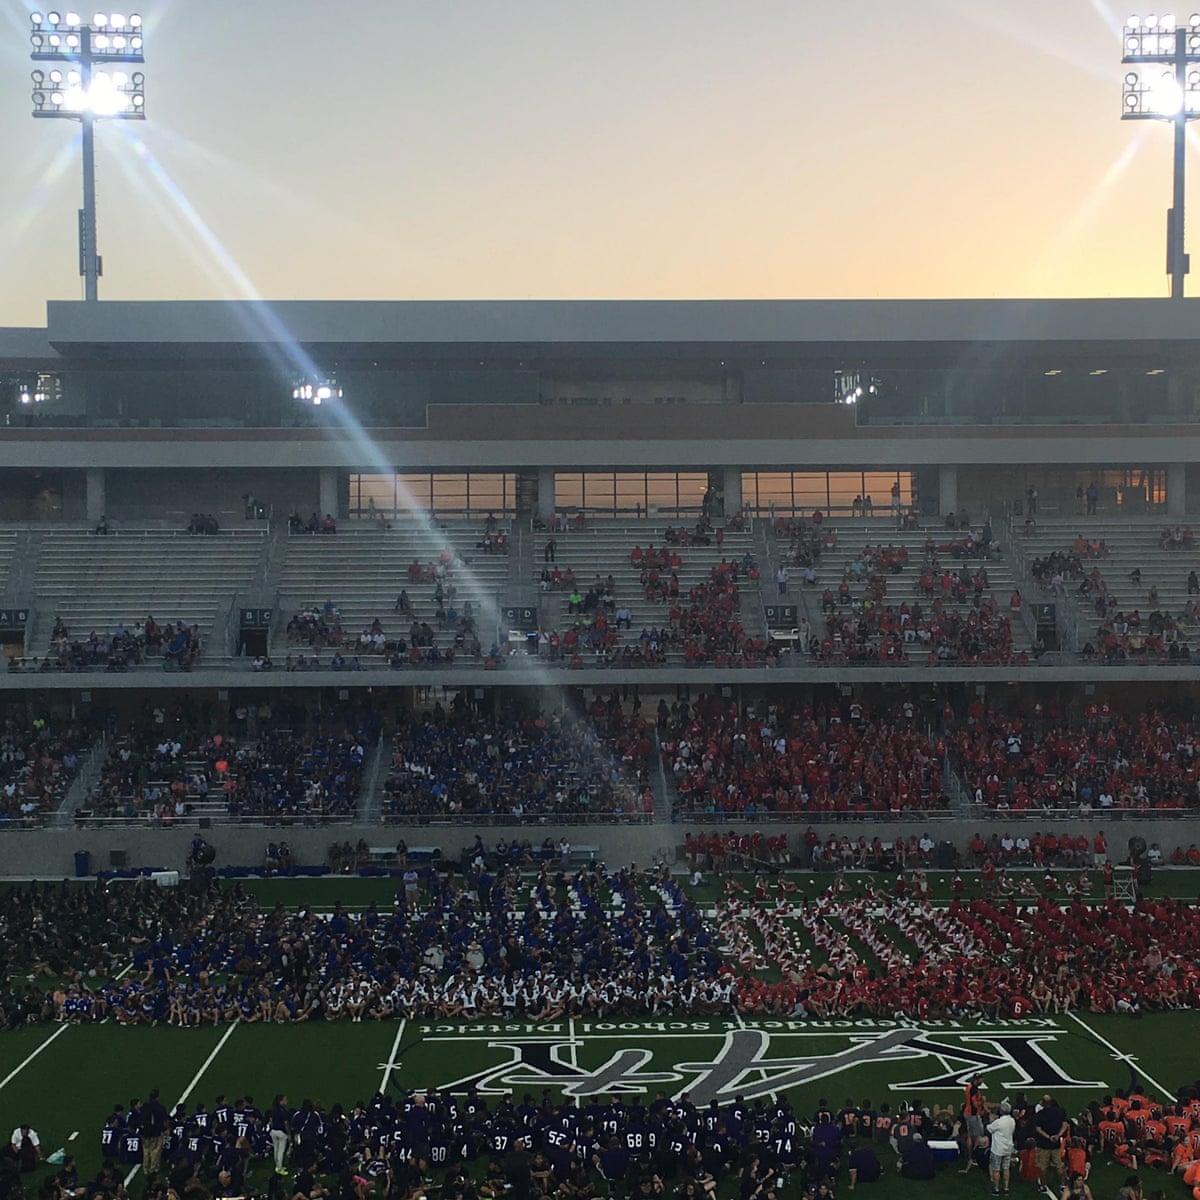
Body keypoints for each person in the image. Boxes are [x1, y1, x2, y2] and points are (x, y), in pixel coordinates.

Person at [1033, 1095, 1069, 1193]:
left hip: (1043, 1145)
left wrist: (1048, 1136)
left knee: (1043, 1166)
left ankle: (1043, 1186)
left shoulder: (1040, 1114)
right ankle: (1062, 1185)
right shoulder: (1059, 1112)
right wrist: (1058, 1135)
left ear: (1044, 1103)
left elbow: (1038, 1129)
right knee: (1059, 1165)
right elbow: (1065, 1125)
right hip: (1056, 1144)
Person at [987, 1100, 1016, 1196]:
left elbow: (989, 1128)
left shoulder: (999, 1122)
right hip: (1008, 1148)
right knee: (1006, 1168)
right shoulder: (1012, 1121)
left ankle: (996, 1188)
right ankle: (1006, 1188)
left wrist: (991, 1119)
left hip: (998, 1149)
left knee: (996, 1169)